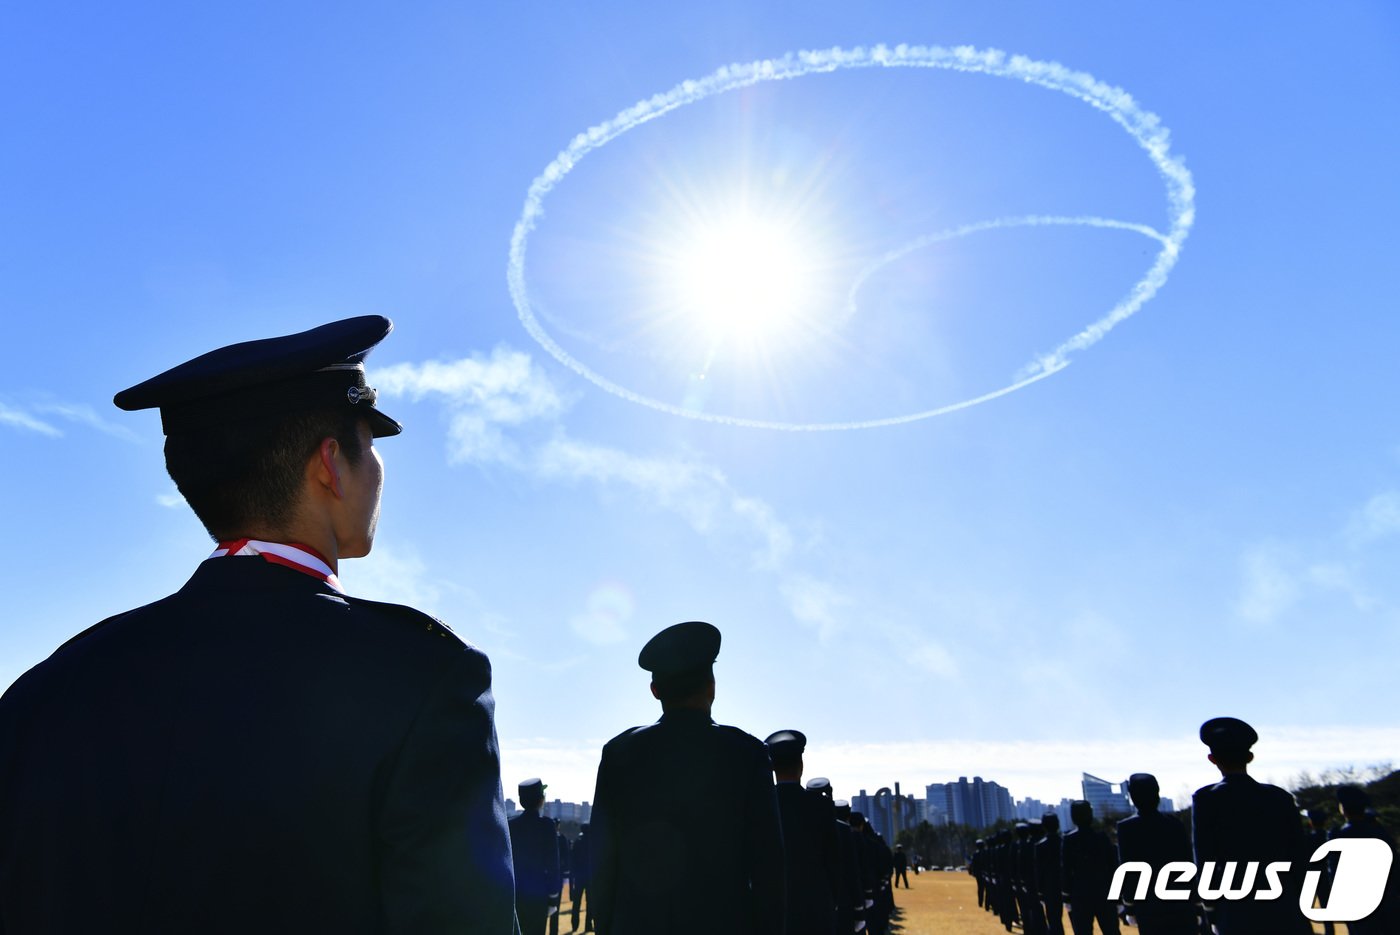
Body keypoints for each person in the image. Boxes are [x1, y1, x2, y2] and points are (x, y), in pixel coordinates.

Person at [0, 317, 517, 933]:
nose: (378, 469)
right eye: (369, 442)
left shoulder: (50, 685)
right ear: (331, 464)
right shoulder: (423, 680)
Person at [588, 621, 785, 935]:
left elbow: (601, 860)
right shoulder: (747, 754)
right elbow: (768, 867)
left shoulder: (619, 753)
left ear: (655, 690)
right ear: (712, 685)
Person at [1191, 717, 1311, 935]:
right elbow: (1299, 854)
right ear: (1250, 757)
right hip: (1285, 903)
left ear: (1212, 759)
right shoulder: (1280, 797)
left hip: (1236, 908)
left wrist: (1211, 907)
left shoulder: (1206, 799)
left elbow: (1206, 857)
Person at [766, 730, 838, 935]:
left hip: (776, 908)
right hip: (817, 907)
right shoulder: (822, 806)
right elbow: (833, 861)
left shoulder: (762, 804)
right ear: (801, 766)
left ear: (772, 767)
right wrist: (830, 901)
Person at [1115, 773, 1196, 935]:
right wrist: (1197, 903)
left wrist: (1129, 905)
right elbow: (1188, 864)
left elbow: (1128, 871)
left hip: (1149, 907)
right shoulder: (1174, 824)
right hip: (1180, 904)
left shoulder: (1126, 828)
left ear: (1133, 797)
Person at [1327, 785, 1399, 934]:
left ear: (1344, 809)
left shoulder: (1340, 836)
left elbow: (1335, 873)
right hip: (1388, 899)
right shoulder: (1380, 832)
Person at [511, 778, 563, 935]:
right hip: (538, 895)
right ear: (541, 799)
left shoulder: (511, 824)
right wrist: (553, 896)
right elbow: (553, 863)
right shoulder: (546, 825)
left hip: (516, 895)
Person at [1061, 800, 1119, 935]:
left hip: (1080, 895)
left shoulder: (1069, 840)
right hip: (1104, 892)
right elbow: (1113, 865)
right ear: (1091, 815)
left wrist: (1066, 896)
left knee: (1082, 931)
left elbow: (1066, 870)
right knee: (1111, 930)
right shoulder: (1102, 837)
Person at [1035, 812, 1065, 935]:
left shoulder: (1040, 846)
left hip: (1050, 887)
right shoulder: (1064, 841)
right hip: (1067, 884)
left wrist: (1040, 892)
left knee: (1054, 921)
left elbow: (1039, 871)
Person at [570, 824, 593, 933]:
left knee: (576, 902)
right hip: (590, 877)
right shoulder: (593, 843)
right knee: (590, 903)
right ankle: (588, 925)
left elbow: (573, 859)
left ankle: (574, 925)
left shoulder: (577, 842)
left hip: (579, 876)